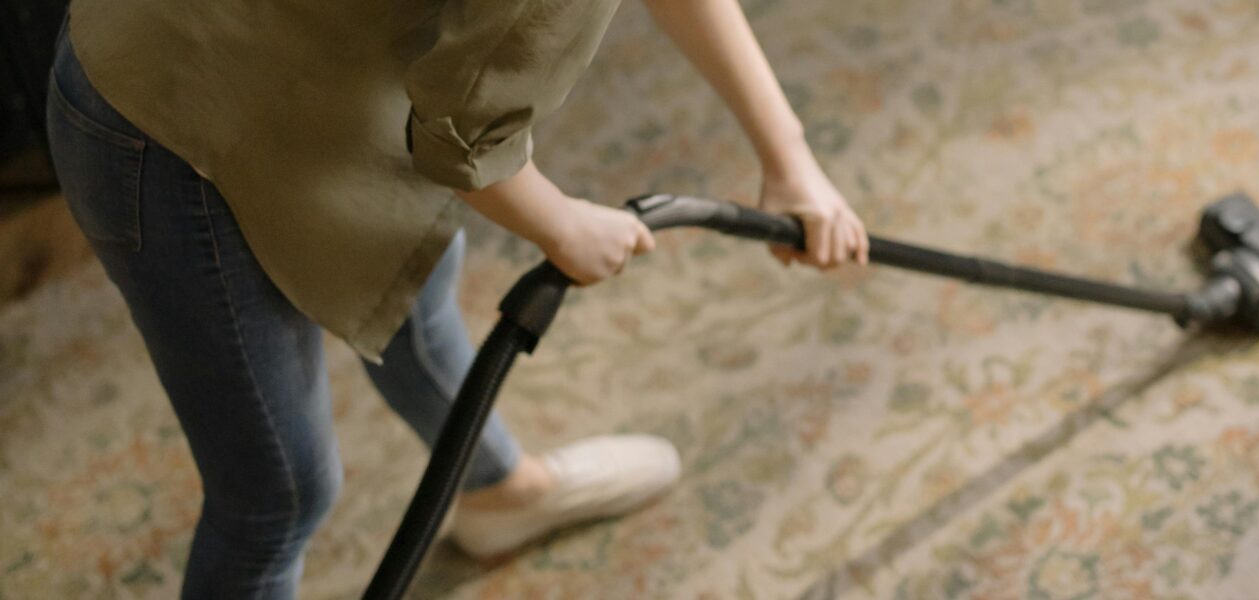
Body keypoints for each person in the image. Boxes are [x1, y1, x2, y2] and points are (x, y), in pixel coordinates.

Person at [47, 0, 869, 596]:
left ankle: (499, 493)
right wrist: (565, 228)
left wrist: (787, 156)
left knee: (415, 293)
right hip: (162, 124)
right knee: (278, 494)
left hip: (311, 71)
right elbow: (459, 137)